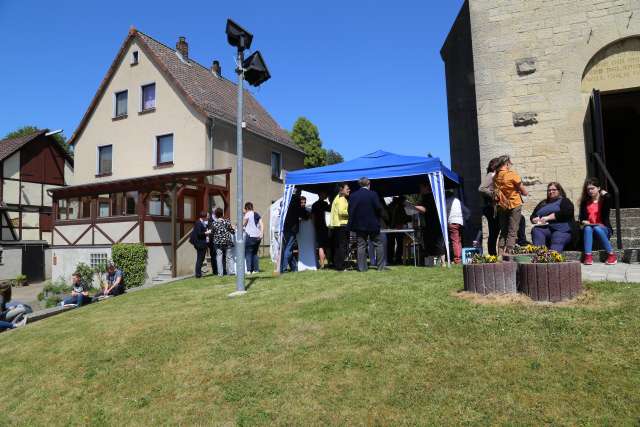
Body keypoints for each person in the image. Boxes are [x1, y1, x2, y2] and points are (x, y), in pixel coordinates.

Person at [493, 155, 528, 255]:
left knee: (503, 231)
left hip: (502, 205)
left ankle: (500, 254)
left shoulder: (496, 176)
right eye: (510, 164)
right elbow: (524, 191)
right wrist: (522, 192)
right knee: (513, 230)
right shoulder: (512, 174)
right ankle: (509, 253)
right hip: (514, 204)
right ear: (507, 163)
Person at [348, 177, 385, 272]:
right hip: (373, 224)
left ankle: (362, 268)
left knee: (361, 245)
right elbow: (379, 208)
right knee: (378, 244)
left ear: (360, 184)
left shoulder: (353, 195)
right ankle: (380, 267)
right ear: (369, 184)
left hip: (359, 225)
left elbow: (350, 210)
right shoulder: (373, 194)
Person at [579, 177, 617, 265]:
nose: (590, 191)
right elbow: (582, 218)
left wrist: (606, 194)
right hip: (590, 230)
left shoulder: (604, 200)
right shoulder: (585, 202)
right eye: (588, 189)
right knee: (588, 228)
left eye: (592, 188)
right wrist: (584, 221)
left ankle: (612, 255)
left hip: (604, 229)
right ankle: (588, 256)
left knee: (596, 227)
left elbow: (610, 199)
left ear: (599, 188)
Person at [530, 182, 576, 252]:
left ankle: (552, 258)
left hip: (562, 229)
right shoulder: (543, 203)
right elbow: (533, 215)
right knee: (536, 230)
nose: (551, 192)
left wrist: (548, 217)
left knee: (557, 238)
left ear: (559, 191)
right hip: (547, 229)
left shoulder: (565, 201)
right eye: (549, 190)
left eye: (554, 190)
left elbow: (567, 212)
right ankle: (540, 254)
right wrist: (534, 219)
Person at [415, 182, 446, 266]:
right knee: (429, 243)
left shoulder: (430, 197)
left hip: (433, 223)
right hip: (428, 223)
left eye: (421, 187)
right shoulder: (427, 197)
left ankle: (442, 263)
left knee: (437, 243)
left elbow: (425, 209)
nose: (420, 189)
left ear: (426, 187)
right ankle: (432, 263)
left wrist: (414, 207)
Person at [280, 189, 309, 273]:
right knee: (288, 248)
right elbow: (300, 212)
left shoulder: (286, 199)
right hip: (292, 227)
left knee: (288, 248)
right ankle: (283, 268)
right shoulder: (296, 200)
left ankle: (294, 268)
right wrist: (307, 216)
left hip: (285, 226)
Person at [478, 157, 500, 255]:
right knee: (493, 232)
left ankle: (496, 255)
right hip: (490, 208)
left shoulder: (496, 175)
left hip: (492, 207)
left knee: (495, 232)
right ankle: (493, 255)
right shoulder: (491, 175)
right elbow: (481, 188)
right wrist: (493, 194)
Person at [329, 183, 350, 271]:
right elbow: (341, 212)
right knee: (342, 246)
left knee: (338, 246)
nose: (349, 190)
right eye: (347, 188)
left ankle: (337, 265)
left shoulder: (337, 198)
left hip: (337, 225)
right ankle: (340, 266)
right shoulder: (341, 199)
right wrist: (351, 213)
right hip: (342, 225)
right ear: (341, 189)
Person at [210, 207, 236, 276]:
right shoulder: (227, 221)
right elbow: (232, 231)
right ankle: (231, 271)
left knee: (219, 257)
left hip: (218, 242)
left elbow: (212, 233)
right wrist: (233, 230)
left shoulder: (214, 223)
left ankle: (220, 273)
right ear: (222, 214)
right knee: (229, 257)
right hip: (227, 241)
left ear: (215, 215)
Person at [387, 196, 411, 265]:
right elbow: (406, 217)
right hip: (397, 226)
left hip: (393, 227)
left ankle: (392, 259)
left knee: (392, 244)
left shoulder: (390, 206)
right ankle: (397, 259)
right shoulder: (400, 207)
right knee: (398, 244)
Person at [311, 190, 331, 268]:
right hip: (326, 226)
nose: (325, 195)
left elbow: (313, 217)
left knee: (321, 246)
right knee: (327, 246)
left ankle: (322, 264)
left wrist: (314, 225)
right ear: (321, 195)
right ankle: (329, 263)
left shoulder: (314, 205)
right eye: (324, 194)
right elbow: (328, 215)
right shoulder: (326, 204)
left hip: (318, 226)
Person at [243, 202, 263, 274]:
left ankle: (249, 270)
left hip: (250, 236)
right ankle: (256, 269)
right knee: (255, 253)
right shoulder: (256, 214)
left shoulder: (248, 214)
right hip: (258, 236)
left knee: (248, 253)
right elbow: (261, 223)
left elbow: (243, 224)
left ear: (247, 208)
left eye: (244, 208)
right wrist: (261, 233)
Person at [190, 211, 211, 278]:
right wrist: (206, 233)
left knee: (201, 259)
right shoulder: (198, 223)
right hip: (200, 244)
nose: (208, 217)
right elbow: (199, 234)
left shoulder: (202, 222)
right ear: (204, 217)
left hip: (202, 243)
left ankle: (199, 273)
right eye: (207, 216)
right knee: (200, 259)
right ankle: (198, 274)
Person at [446, 190, 464, 264]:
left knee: (455, 241)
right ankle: (459, 257)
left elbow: (445, 211)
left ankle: (457, 259)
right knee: (458, 240)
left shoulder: (447, 201)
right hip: (460, 221)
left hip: (452, 221)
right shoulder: (457, 200)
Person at [207, 206, 219, 275]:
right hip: (212, 240)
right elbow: (209, 229)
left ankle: (221, 269)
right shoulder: (210, 219)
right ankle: (215, 271)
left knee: (220, 255)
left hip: (219, 240)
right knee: (213, 256)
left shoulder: (219, 218)